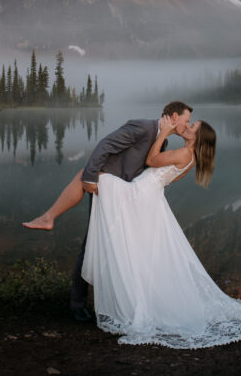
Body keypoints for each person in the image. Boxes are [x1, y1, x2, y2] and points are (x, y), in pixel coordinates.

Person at [80, 115, 241, 348]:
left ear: (198, 138)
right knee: (138, 247)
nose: (188, 127)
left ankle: (52, 219)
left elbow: (151, 160)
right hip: (147, 195)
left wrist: (163, 133)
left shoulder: (184, 154)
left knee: (99, 178)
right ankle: (136, 296)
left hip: (139, 195)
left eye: (193, 127)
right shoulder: (189, 157)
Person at [23, 101, 194, 321]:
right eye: (186, 120)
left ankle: (121, 302)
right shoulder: (143, 128)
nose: (187, 125)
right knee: (92, 243)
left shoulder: (164, 140)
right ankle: (79, 304)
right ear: (173, 116)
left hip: (128, 196)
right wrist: (91, 177)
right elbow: (106, 145)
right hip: (110, 190)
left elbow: (153, 171)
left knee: (116, 247)